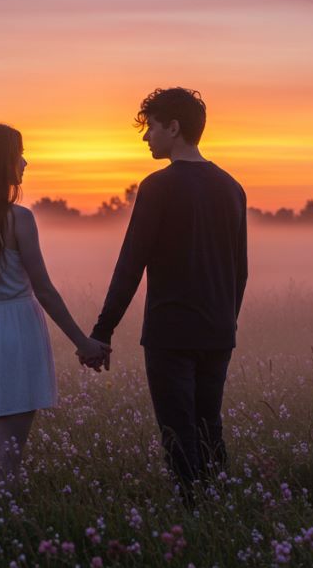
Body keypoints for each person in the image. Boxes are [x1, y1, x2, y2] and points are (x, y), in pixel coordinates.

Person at [89, 87, 248, 494]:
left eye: (151, 127)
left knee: (178, 435)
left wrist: (102, 331)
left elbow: (131, 264)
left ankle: (193, 516)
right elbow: (240, 271)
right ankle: (221, 509)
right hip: (217, 332)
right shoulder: (232, 188)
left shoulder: (157, 186)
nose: (146, 137)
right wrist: (225, 322)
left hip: (170, 333)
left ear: (173, 128)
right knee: (209, 427)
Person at [0, 122, 111, 502]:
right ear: (0, 162)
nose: (25, 161)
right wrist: (83, 342)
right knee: (10, 451)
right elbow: (45, 290)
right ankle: (3, 527)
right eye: (18, 153)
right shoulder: (19, 219)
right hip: (17, 329)